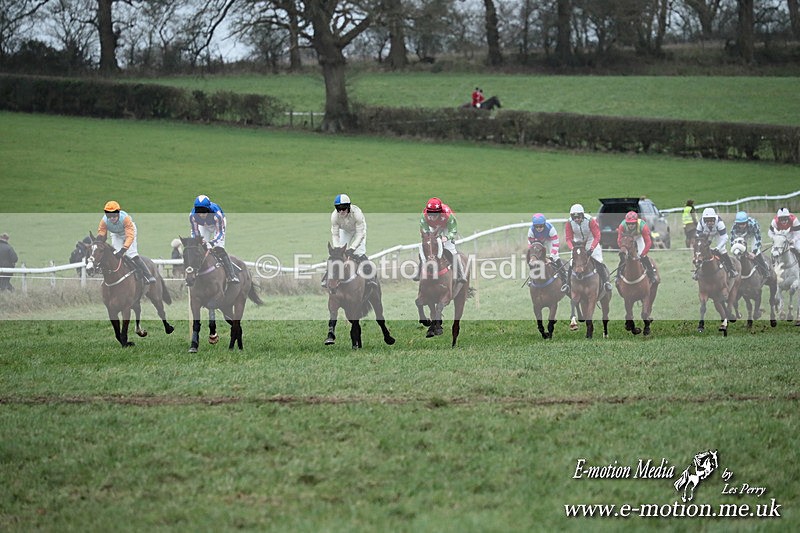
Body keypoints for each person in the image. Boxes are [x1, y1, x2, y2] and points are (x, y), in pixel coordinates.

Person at [325, 193, 376, 290]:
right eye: (338, 208)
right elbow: (335, 235)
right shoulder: (334, 216)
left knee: (359, 253)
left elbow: (360, 235)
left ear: (348, 206)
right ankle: (327, 278)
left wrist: (352, 248)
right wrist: (337, 248)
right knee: (338, 255)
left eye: (343, 208)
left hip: (358, 231)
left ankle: (370, 279)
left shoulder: (357, 215)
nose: (341, 211)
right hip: (345, 231)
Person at [96, 201, 156, 284]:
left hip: (129, 233)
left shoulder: (125, 218)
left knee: (131, 254)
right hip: (116, 234)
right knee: (115, 254)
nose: (112, 218)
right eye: (109, 215)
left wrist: (123, 250)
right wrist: (98, 239)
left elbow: (129, 237)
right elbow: (102, 232)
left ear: (118, 213)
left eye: (114, 215)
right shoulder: (104, 221)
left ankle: (148, 275)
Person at [189, 194, 238, 283]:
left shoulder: (217, 215)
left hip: (217, 225)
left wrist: (212, 243)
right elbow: (194, 232)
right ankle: (195, 272)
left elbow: (220, 233)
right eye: (199, 211)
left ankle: (232, 275)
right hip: (203, 226)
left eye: (204, 211)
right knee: (199, 248)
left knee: (219, 248)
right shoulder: (192, 216)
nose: (201, 214)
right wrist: (198, 241)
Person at [564, 203, 612, 292]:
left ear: (582, 215)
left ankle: (606, 282)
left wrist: (592, 248)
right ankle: (567, 284)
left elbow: (597, 236)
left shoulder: (590, 220)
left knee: (598, 260)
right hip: (577, 243)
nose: (577, 219)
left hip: (590, 240)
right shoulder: (569, 223)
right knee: (572, 263)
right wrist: (572, 248)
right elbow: (568, 238)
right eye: (575, 218)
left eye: (579, 217)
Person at [418, 197, 467, 284]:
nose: (431, 217)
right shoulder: (424, 216)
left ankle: (461, 274)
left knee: (451, 249)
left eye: (434, 215)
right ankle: (419, 272)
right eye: (430, 214)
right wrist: (429, 238)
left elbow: (453, 231)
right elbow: (425, 232)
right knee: (427, 247)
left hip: (446, 227)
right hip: (433, 228)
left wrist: (447, 237)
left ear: (440, 213)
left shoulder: (448, 216)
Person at [527, 213, 569, 289]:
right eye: (536, 226)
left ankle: (564, 277)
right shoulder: (531, 231)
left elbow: (555, 244)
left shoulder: (551, 229)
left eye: (541, 226)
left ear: (544, 224)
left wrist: (551, 257)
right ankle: (532, 278)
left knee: (555, 257)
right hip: (537, 242)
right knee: (533, 260)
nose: (539, 228)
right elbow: (531, 246)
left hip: (549, 240)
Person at [694, 207, 737, 278]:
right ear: (704, 220)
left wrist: (718, 248)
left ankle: (731, 269)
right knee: (702, 252)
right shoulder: (700, 223)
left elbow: (725, 237)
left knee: (722, 250)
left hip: (718, 234)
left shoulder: (719, 223)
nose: (710, 223)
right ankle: (697, 272)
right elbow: (698, 237)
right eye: (707, 221)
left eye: (711, 220)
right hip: (706, 234)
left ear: (714, 219)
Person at [616, 211, 658, 283]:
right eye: (629, 223)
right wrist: (624, 250)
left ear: (636, 222)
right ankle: (618, 275)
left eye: (633, 223)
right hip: (627, 238)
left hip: (638, 237)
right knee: (623, 256)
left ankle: (652, 275)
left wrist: (643, 253)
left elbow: (648, 242)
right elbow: (619, 240)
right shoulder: (622, 226)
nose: (631, 225)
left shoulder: (643, 226)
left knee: (643, 256)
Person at [730, 210, 770, 277]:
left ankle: (764, 270)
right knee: (738, 251)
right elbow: (732, 241)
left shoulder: (753, 224)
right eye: (739, 224)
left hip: (752, 234)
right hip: (741, 235)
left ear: (747, 222)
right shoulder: (734, 227)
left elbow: (758, 239)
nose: (741, 225)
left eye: (743, 223)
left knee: (756, 252)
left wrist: (754, 252)